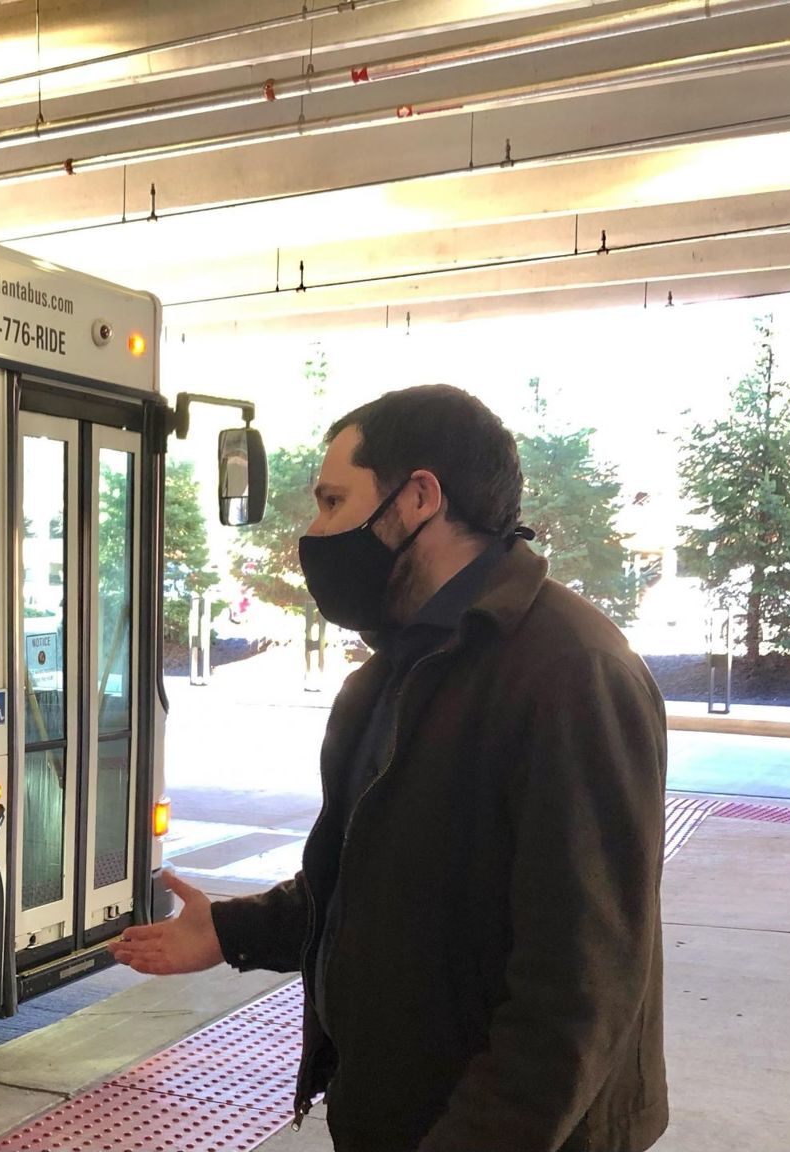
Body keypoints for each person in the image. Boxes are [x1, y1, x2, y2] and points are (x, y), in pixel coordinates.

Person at [112, 385, 669, 1152]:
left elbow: (579, 985)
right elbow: (375, 887)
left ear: (418, 498)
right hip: (394, 1119)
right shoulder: (394, 673)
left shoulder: (570, 673)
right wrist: (233, 931)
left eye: (334, 500)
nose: (314, 532)